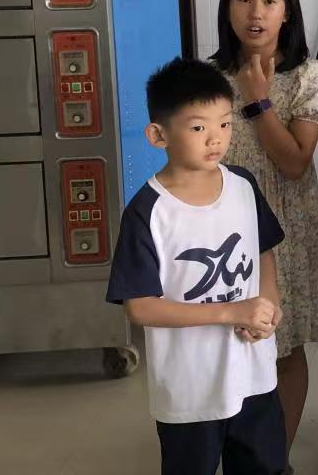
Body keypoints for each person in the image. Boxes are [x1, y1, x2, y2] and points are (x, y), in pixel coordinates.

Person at [107, 58, 286, 475]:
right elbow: (140, 307)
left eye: (224, 124)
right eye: (198, 127)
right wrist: (231, 312)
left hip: (254, 373)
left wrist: (268, 304)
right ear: (158, 135)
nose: (215, 139)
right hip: (190, 388)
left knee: (265, 466)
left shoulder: (243, 186)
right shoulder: (148, 212)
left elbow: (263, 251)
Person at [213, 0, 318, 459]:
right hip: (221, 231)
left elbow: (294, 163)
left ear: (288, 12)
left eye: (269, 0)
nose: (255, 12)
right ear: (227, 9)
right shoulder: (206, 77)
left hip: (286, 226)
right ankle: (235, 451)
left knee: (284, 345)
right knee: (226, 342)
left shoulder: (309, 76)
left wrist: (258, 100)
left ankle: (275, 459)